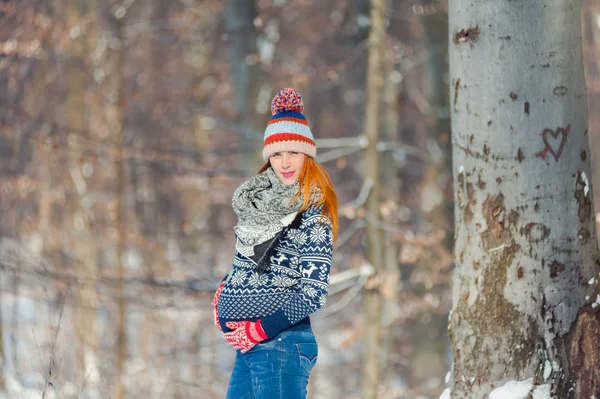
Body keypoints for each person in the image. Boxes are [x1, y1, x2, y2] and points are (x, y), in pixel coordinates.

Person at [211, 88, 338, 399]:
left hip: (281, 344)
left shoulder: (313, 213)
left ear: (307, 154)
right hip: (250, 348)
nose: (285, 162)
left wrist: (260, 329)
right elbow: (249, 267)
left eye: (293, 152)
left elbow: (313, 293)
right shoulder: (259, 205)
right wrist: (224, 292)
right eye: (277, 153)